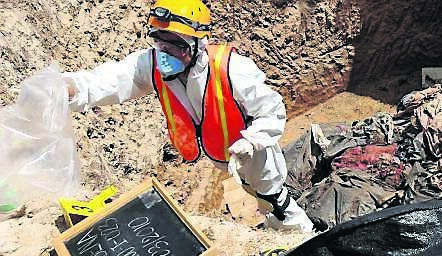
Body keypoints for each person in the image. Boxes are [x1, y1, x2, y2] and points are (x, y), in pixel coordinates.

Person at [63, 0, 315, 233]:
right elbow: (111, 80)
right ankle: (273, 228)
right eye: (160, 42)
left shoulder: (232, 68)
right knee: (251, 191)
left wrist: (251, 141)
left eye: (176, 46)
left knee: (271, 197)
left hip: (250, 149)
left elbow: (272, 110)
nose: (166, 53)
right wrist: (71, 88)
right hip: (217, 150)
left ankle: (301, 234)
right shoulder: (151, 65)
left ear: (198, 43)